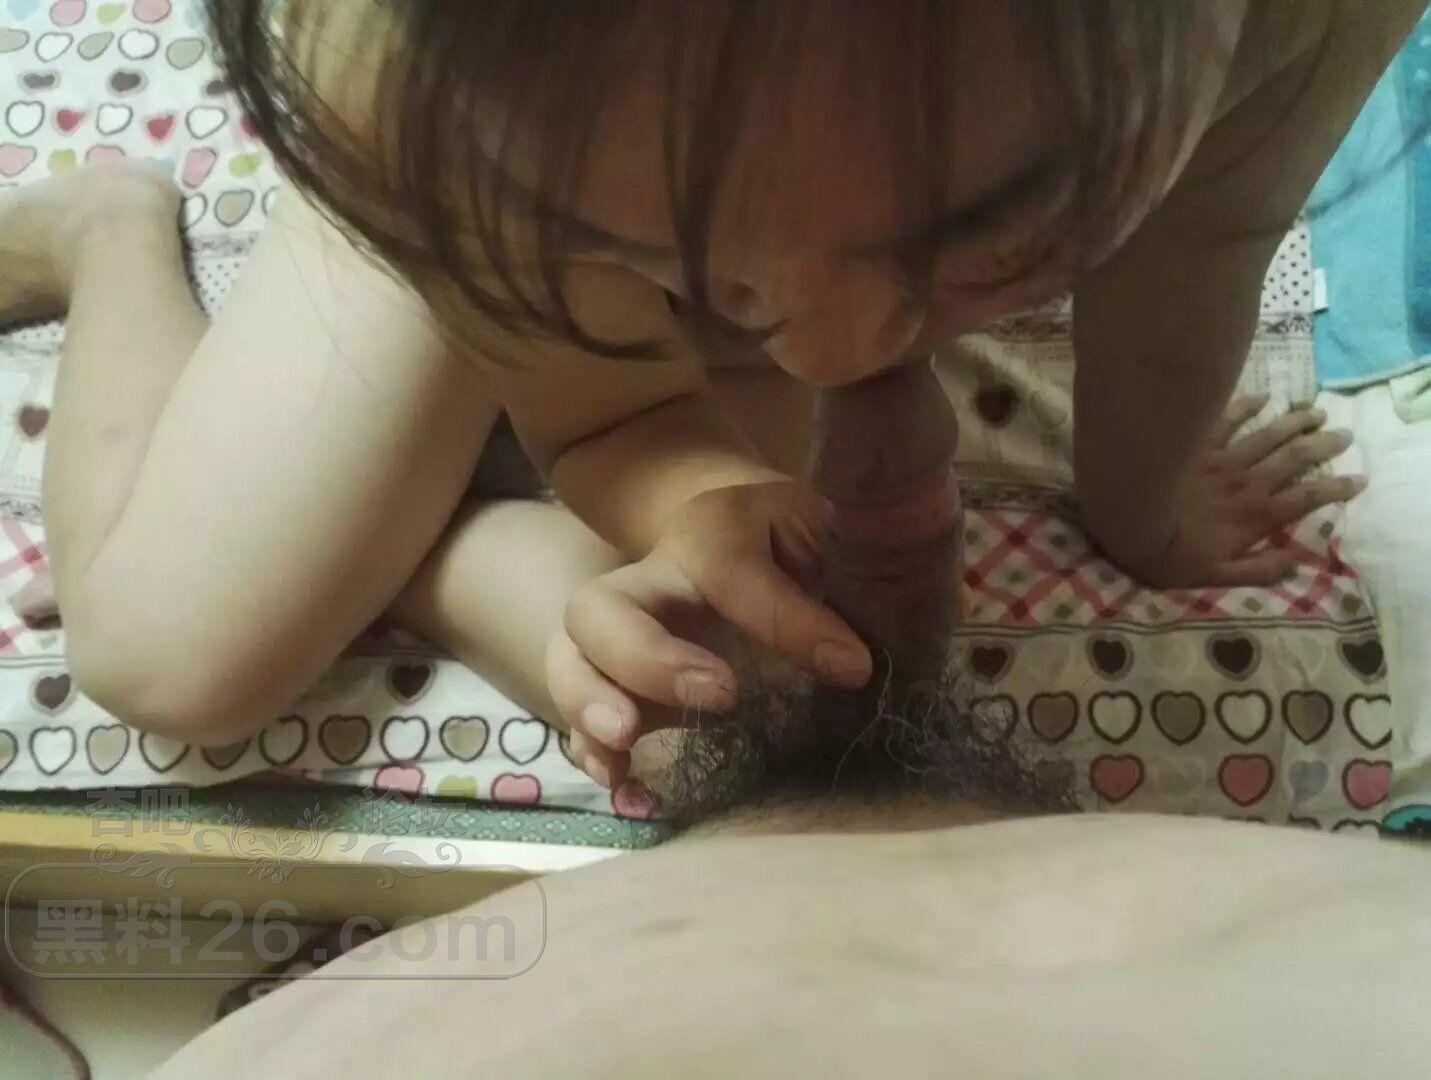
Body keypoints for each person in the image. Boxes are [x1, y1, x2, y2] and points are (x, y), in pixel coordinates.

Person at [0, 1, 1418, 791]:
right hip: (490, 202)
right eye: (694, 259)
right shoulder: (389, 59)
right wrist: (684, 476)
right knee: (170, 658)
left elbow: (1200, 246)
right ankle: (107, 227)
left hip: (563, 194)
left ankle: (432, 550)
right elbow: (605, 411)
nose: (834, 353)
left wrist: (1144, 505)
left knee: (775, 715)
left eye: (988, 226)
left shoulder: (1295, 20)